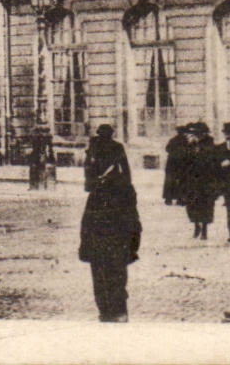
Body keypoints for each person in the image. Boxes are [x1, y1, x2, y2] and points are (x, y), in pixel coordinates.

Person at [79, 124, 141, 322]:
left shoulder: (95, 194)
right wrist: (132, 247)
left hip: (99, 244)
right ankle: (118, 311)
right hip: (117, 244)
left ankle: (106, 311)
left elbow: (86, 225)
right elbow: (134, 223)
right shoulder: (124, 190)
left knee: (100, 276)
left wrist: (85, 247)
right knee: (117, 275)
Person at [178, 123, 218, 239]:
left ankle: (204, 229)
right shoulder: (190, 145)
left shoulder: (209, 144)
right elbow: (183, 161)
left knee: (206, 205)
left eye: (198, 134)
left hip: (206, 181)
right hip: (191, 181)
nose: (196, 136)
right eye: (195, 134)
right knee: (192, 205)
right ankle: (196, 225)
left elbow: (210, 161)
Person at [28, 124, 55, 191]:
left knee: (37, 169)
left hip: (38, 154)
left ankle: (35, 185)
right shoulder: (47, 136)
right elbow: (50, 147)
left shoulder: (37, 136)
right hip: (40, 154)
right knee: (41, 169)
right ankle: (42, 185)